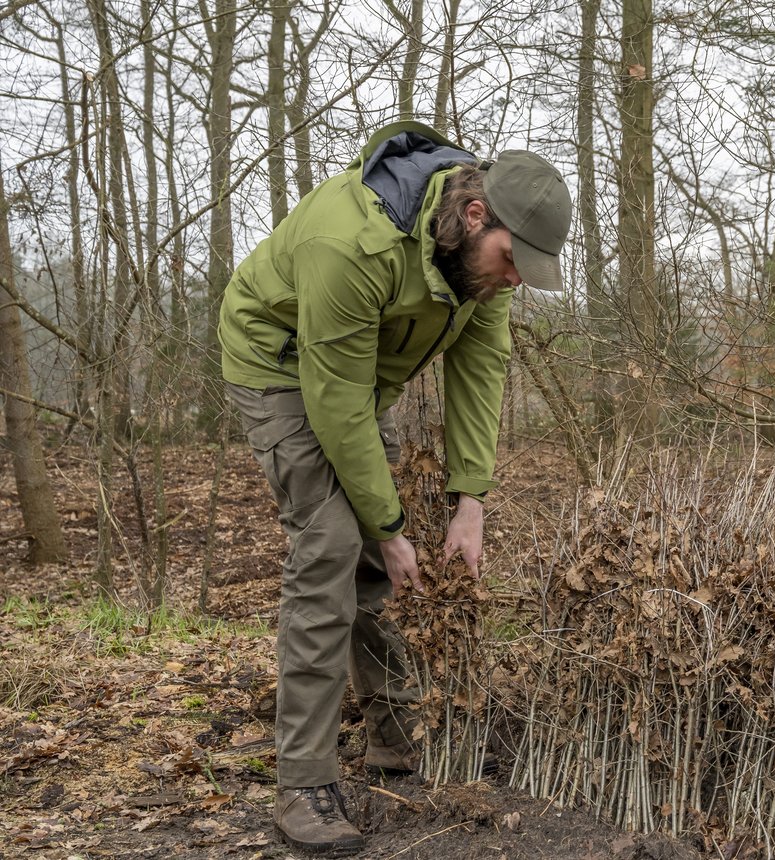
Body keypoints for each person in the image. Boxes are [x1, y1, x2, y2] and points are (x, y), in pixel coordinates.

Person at [218, 121, 572, 856]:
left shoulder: (481, 264)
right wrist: (388, 526)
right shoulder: (350, 242)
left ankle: (393, 731)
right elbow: (335, 399)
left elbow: (480, 368)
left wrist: (470, 499)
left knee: (379, 557)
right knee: (332, 544)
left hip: (355, 375)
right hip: (279, 362)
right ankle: (304, 783)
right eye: (513, 261)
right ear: (474, 215)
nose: (515, 280)